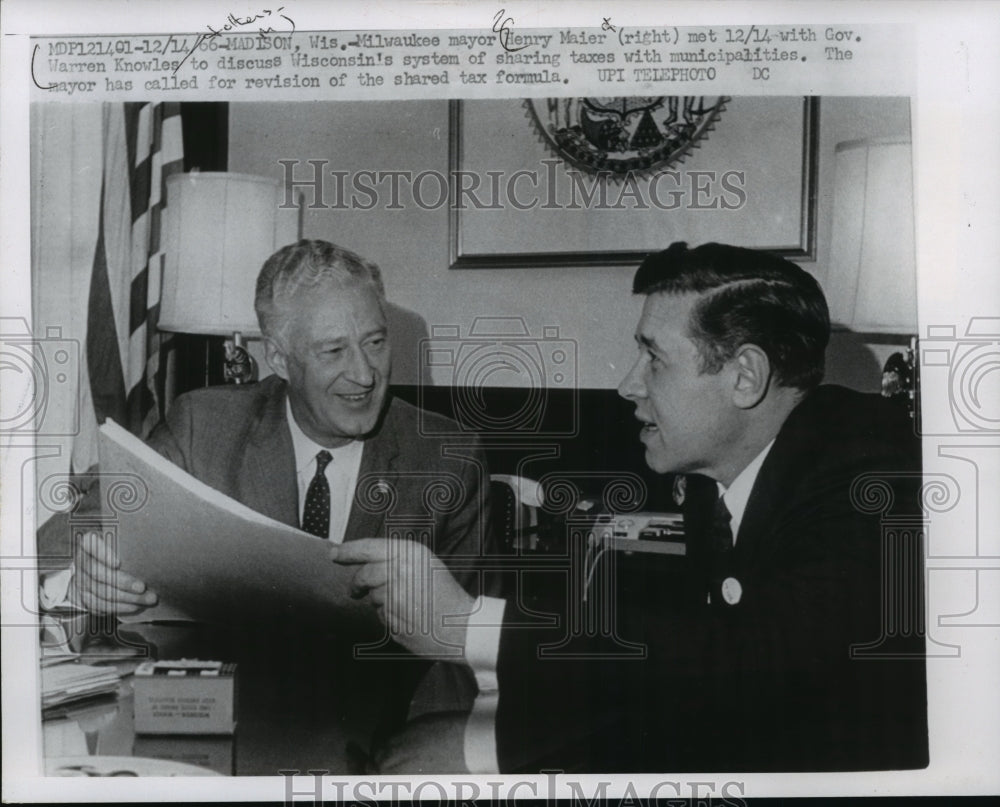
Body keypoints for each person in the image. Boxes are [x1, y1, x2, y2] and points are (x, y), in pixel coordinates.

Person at [332, 241, 927, 773]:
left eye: (654, 357)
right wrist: (487, 744)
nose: (629, 386)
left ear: (745, 377)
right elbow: (673, 685)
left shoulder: (868, 467)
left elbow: (753, 670)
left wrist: (468, 629)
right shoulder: (711, 481)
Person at [40, 239, 493, 616]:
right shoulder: (203, 428)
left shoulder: (448, 457)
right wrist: (79, 583)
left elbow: (466, 644)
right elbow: (59, 543)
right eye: (333, 351)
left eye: (375, 342)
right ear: (277, 359)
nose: (365, 373)